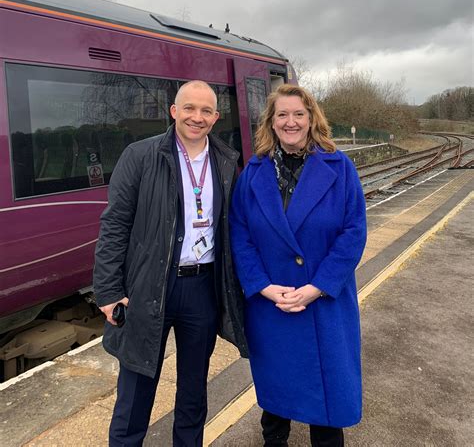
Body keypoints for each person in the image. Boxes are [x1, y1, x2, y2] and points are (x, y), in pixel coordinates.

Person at [94, 80, 247, 447]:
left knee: (194, 390)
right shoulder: (141, 155)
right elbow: (115, 224)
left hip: (202, 289)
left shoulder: (226, 161)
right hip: (149, 287)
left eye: (206, 110)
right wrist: (108, 290)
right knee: (135, 392)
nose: (197, 117)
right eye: (189, 108)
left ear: (216, 117)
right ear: (174, 111)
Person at [230, 84, 367, 447]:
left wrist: (317, 286)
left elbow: (353, 233)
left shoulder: (341, 168)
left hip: (322, 302)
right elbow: (239, 233)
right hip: (273, 304)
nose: (291, 122)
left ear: (311, 119)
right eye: (282, 115)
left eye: (298, 114)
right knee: (276, 401)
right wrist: (261, 285)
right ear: (271, 123)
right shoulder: (252, 174)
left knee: (327, 404)